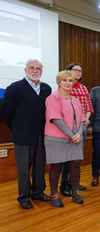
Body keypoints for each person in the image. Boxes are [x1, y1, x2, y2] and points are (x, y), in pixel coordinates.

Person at [0, 59, 51, 209]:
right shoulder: (15, 88)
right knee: (23, 169)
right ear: (25, 70)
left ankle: (38, 192)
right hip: (22, 136)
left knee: (40, 166)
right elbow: (5, 111)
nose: (35, 71)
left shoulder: (46, 88)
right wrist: (16, 128)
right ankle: (24, 197)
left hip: (41, 135)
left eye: (38, 69)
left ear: (41, 71)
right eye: (31, 68)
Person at [44, 70, 85, 207]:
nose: (68, 83)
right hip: (56, 139)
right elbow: (56, 119)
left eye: (70, 81)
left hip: (75, 138)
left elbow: (81, 119)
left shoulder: (76, 100)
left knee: (75, 165)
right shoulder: (53, 98)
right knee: (56, 166)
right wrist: (72, 135)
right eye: (65, 80)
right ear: (58, 82)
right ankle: (54, 194)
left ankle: (75, 191)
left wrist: (79, 133)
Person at [59, 62, 94, 196]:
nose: (78, 72)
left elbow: (89, 107)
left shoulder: (84, 88)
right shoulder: (65, 87)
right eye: (75, 70)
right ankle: (64, 183)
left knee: (76, 157)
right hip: (68, 128)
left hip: (82, 127)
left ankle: (73, 182)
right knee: (66, 157)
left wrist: (85, 122)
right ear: (68, 71)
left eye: (80, 70)